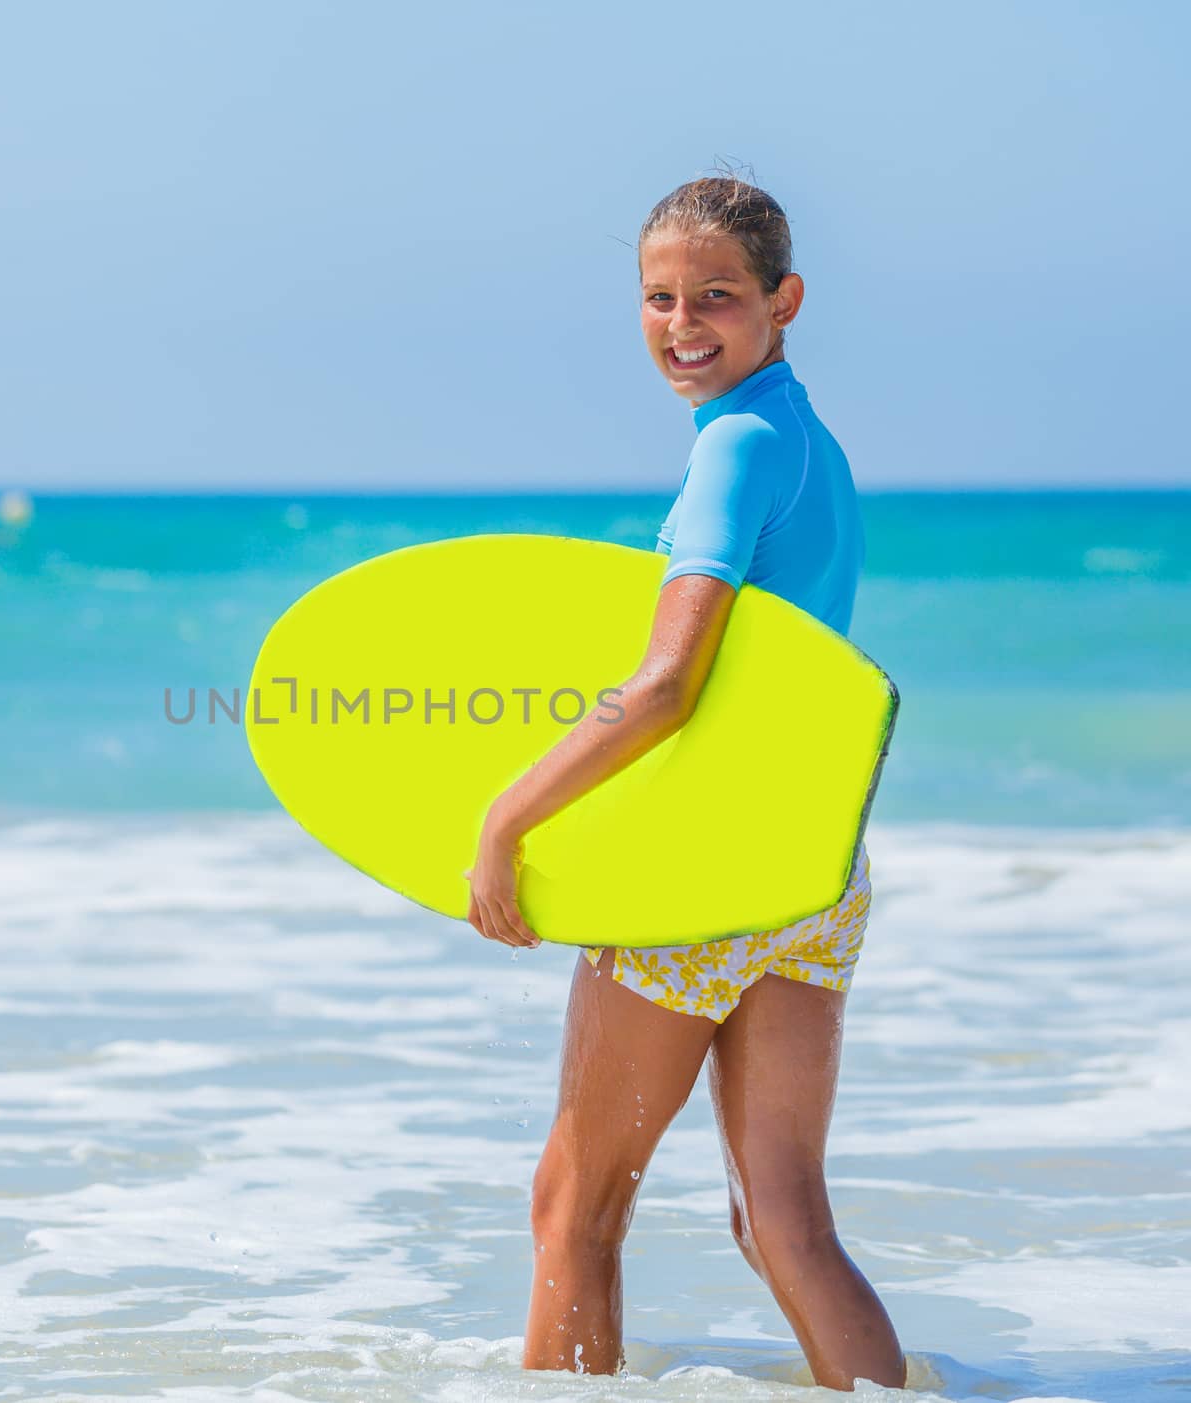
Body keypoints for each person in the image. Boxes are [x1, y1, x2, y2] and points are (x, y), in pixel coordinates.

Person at [462, 173, 906, 1391]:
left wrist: (508, 815)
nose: (681, 322)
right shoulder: (809, 445)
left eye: (715, 295)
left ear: (784, 300)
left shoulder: (735, 449)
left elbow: (667, 684)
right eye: (657, 297)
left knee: (574, 1203)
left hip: (703, 869)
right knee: (783, 1222)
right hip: (809, 863)